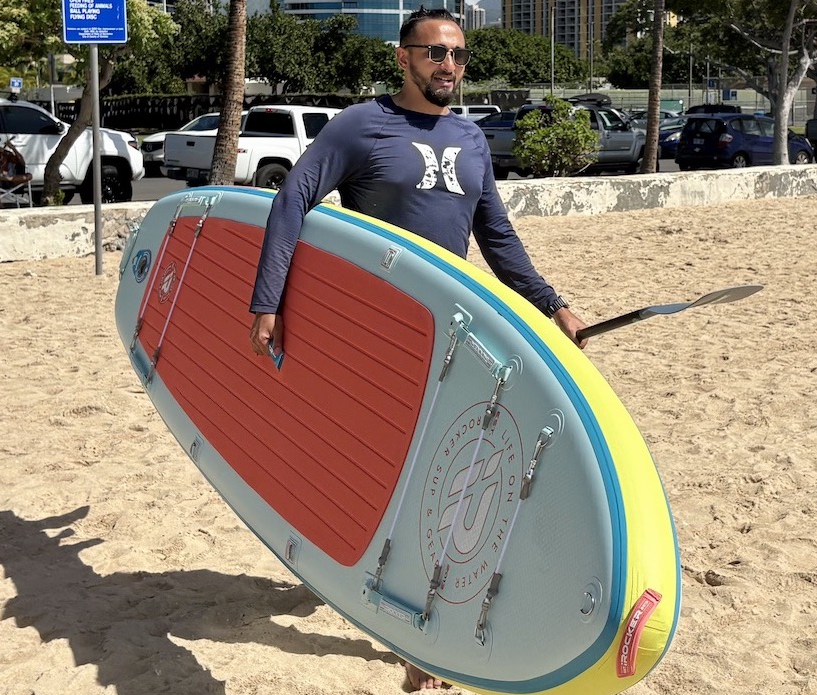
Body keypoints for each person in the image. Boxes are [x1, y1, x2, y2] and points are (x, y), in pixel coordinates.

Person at [247, 6, 588, 690]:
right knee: (372, 466)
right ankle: (368, 594)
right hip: (379, 333)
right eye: (436, 54)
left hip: (452, 334)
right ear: (403, 58)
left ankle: (415, 645)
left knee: (435, 476)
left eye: (459, 55)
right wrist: (268, 300)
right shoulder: (362, 126)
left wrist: (552, 302)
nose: (450, 67)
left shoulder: (471, 137)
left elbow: (496, 237)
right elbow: (294, 197)